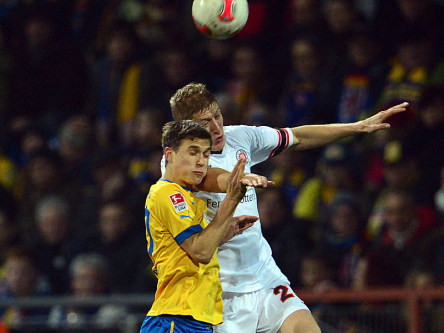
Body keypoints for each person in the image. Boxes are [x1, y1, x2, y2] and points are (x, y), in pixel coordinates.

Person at [166, 82, 408, 333]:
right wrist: (234, 180)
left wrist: (356, 127)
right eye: (205, 123)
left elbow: (298, 137)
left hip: (264, 277)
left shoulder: (240, 137)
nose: (217, 128)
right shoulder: (174, 162)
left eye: (217, 115)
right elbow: (206, 176)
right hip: (218, 292)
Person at [140, 120, 259, 333]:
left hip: (193, 318)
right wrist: (231, 200)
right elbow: (201, 251)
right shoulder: (168, 193)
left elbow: (189, 249)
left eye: (206, 154)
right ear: (169, 155)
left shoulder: (187, 197)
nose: (201, 161)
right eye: (193, 152)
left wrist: (224, 232)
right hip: (176, 319)